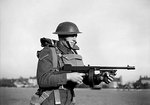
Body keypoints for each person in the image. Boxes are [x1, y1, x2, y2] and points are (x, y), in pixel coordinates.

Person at [31, 22, 114, 105]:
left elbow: (84, 76)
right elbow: (42, 80)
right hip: (50, 100)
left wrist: (100, 78)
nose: (75, 39)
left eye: (76, 36)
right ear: (62, 36)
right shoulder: (49, 51)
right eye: (72, 35)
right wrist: (68, 77)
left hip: (68, 100)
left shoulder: (73, 53)